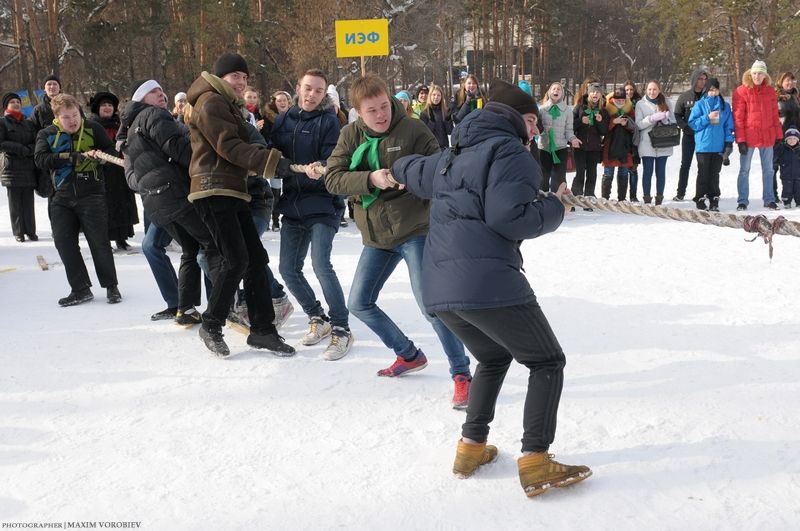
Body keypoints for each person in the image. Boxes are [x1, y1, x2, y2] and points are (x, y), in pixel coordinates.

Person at [391, 78, 591, 497]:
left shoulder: (452, 153)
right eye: (533, 121)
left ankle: (470, 448)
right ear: (515, 118)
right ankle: (536, 461)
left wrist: (390, 169)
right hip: (488, 284)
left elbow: (414, 170)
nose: (535, 131)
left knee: (494, 356)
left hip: (440, 290)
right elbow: (509, 218)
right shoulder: (512, 153)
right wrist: (556, 205)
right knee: (547, 361)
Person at [325, 73, 473, 408]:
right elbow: (333, 178)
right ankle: (408, 354)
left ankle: (462, 373)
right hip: (377, 235)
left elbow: (440, 166)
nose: (381, 115)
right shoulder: (350, 135)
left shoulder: (412, 128)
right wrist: (370, 178)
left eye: (384, 106)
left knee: (431, 307)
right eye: (371, 110)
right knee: (359, 303)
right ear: (358, 113)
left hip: (415, 229)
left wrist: (416, 178)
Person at [185, 52, 294, 357]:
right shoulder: (210, 102)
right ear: (219, 77)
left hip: (231, 190)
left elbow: (243, 143)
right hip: (212, 190)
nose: (240, 82)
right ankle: (211, 323)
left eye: (244, 78)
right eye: (235, 76)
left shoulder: (227, 105)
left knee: (255, 258)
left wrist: (270, 159)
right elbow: (230, 146)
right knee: (236, 259)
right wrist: (270, 164)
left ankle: (262, 330)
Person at [122, 79, 220, 327]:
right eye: (154, 92)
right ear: (142, 99)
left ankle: (184, 308)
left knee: (189, 249)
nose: (161, 95)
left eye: (162, 91)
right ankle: (224, 306)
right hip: (177, 195)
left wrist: (149, 186)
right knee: (214, 244)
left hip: (156, 205)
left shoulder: (131, 131)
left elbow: (131, 176)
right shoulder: (154, 115)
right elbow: (179, 149)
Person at [270, 69, 353, 360]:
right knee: (288, 269)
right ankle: (317, 317)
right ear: (297, 88)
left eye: (318, 91)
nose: (311, 95)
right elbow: (270, 152)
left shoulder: (329, 121)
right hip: (292, 203)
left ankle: (341, 326)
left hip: (322, 203)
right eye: (307, 89)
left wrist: (321, 166)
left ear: (324, 95)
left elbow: (335, 156)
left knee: (321, 264)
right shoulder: (282, 121)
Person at [34, 94, 121, 306]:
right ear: (56, 117)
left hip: (92, 193)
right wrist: (71, 157)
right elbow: (40, 159)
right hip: (61, 196)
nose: (73, 121)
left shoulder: (92, 128)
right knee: (63, 243)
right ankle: (80, 288)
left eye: (75, 115)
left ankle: (111, 287)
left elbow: (110, 149)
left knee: (99, 242)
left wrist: (102, 157)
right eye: (66, 117)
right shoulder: (47, 134)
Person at [88, 91, 138, 250]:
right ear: (97, 108)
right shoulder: (92, 126)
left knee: (122, 204)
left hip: (121, 170)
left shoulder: (120, 124)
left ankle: (121, 238)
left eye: (110, 105)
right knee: (105, 206)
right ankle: (106, 240)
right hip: (103, 172)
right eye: (104, 105)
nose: (108, 108)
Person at [733, 60, 783, 211]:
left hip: (767, 136)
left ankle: (769, 199)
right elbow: (738, 117)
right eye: (754, 73)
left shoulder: (770, 91)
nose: (757, 76)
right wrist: (740, 139)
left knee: (768, 169)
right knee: (744, 170)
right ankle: (742, 200)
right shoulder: (741, 91)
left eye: (760, 73)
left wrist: (779, 135)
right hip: (748, 137)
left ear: (765, 75)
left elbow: (775, 115)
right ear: (750, 73)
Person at [688, 78, 734, 211]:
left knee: (715, 174)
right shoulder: (700, 105)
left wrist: (728, 142)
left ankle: (714, 197)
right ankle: (700, 197)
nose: (713, 92)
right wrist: (707, 118)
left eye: (716, 89)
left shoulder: (724, 106)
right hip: (703, 146)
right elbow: (693, 123)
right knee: (703, 173)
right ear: (706, 90)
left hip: (718, 146)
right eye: (711, 90)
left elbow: (728, 126)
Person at [1, 92, 38, 242]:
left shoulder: (28, 123)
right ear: (6, 106)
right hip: (12, 167)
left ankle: (31, 231)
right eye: (12, 102)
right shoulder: (3, 122)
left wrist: (30, 149)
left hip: (28, 166)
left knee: (28, 201)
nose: (16, 104)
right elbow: (1, 143)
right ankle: (19, 232)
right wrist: (20, 149)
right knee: (15, 202)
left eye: (18, 101)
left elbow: (37, 140)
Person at [635, 80, 676, 205]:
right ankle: (647, 198)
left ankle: (659, 198)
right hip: (647, 143)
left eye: (654, 89)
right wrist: (651, 119)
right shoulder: (640, 104)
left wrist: (665, 119)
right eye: (649, 89)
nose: (652, 92)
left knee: (661, 172)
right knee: (648, 172)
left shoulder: (666, 102)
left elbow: (673, 122)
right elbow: (638, 125)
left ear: (659, 90)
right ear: (646, 90)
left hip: (663, 142)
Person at [673, 68, 709, 201]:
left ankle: (702, 193)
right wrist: (685, 127)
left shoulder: (708, 96)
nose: (703, 81)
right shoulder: (685, 96)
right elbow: (677, 115)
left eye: (705, 79)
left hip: (704, 137)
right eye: (700, 78)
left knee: (703, 165)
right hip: (689, 136)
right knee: (685, 164)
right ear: (694, 80)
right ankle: (680, 192)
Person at [538, 82, 580, 192]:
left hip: (560, 149)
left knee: (559, 178)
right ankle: (543, 201)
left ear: (562, 94)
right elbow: (537, 129)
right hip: (544, 149)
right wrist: (543, 130)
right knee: (543, 178)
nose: (556, 91)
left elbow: (569, 131)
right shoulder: (542, 109)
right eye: (554, 89)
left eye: (559, 89)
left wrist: (573, 139)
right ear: (549, 92)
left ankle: (558, 202)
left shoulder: (567, 111)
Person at [571, 83, 608, 202]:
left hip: (594, 147)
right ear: (589, 93)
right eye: (593, 92)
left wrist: (599, 122)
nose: (595, 94)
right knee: (580, 173)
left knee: (592, 174)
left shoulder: (603, 110)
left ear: (601, 95)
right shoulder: (579, 107)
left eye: (597, 92)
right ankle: (576, 197)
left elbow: (604, 131)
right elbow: (571, 125)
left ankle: (589, 197)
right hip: (580, 146)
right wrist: (581, 121)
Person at [601, 87, 636, 201]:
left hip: (625, 145)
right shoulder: (606, 108)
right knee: (608, 173)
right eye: (618, 100)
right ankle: (605, 198)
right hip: (610, 146)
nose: (620, 102)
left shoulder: (629, 109)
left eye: (622, 100)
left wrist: (626, 123)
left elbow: (634, 127)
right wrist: (614, 122)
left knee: (624, 172)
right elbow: (602, 128)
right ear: (613, 99)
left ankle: (622, 199)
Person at [265, 90, 292, 232]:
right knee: (275, 190)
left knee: (287, 189)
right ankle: (274, 220)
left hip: (290, 159)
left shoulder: (293, 118)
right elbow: (267, 138)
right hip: (273, 158)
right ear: (274, 103)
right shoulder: (268, 119)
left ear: (289, 102)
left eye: (284, 100)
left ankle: (283, 218)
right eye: (279, 100)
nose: (282, 103)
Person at [624, 81, 642, 201]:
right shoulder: (621, 102)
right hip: (624, 138)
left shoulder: (639, 103)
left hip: (636, 138)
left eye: (631, 89)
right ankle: (622, 196)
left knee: (634, 168)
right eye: (627, 90)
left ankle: (633, 195)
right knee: (624, 168)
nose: (629, 92)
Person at [419, 84, 453, 149]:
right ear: (430, 96)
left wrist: (448, 119)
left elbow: (450, 132)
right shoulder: (424, 113)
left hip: (444, 147)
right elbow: (425, 134)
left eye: (438, 95)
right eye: (434, 95)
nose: (436, 97)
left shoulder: (444, 111)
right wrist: (431, 121)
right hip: (431, 148)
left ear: (441, 97)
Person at [775, 127, 800, 208]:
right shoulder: (782, 149)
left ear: (798, 140)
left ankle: (798, 202)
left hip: (798, 175)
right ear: (785, 140)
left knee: (798, 190)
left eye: (794, 138)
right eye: (789, 138)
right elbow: (776, 158)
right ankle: (787, 202)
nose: (792, 140)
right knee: (787, 189)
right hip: (786, 175)